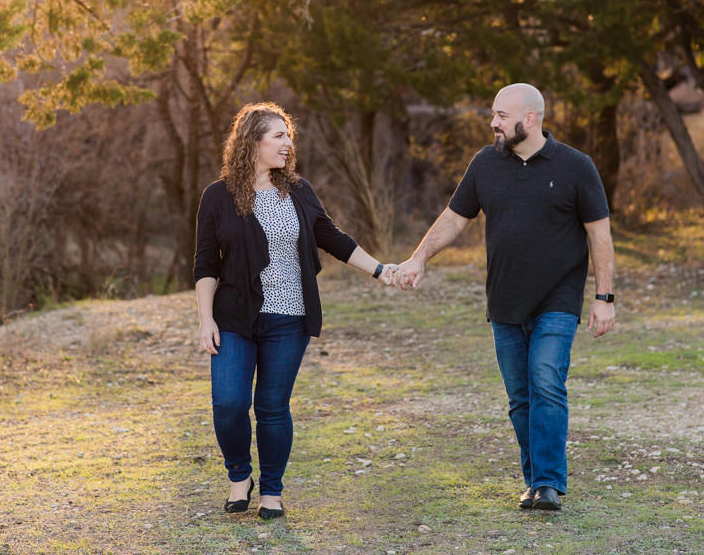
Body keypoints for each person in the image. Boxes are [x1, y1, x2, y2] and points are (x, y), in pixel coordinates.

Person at [394, 83, 615, 512]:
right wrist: (419, 258)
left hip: (558, 299)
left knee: (546, 382)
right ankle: (533, 480)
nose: (493, 123)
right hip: (504, 301)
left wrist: (604, 295)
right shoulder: (485, 164)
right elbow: (454, 219)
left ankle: (549, 483)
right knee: (519, 396)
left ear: (529, 119)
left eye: (500, 115)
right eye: (492, 115)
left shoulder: (576, 166)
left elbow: (599, 234)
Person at [194, 102, 400, 519]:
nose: (289, 143)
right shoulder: (217, 196)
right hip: (233, 317)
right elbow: (205, 263)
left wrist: (381, 270)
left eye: (289, 135)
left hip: (289, 317)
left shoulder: (299, 191)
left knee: (272, 406)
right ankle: (240, 476)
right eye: (279, 136)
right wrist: (205, 318)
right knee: (229, 402)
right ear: (252, 142)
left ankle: (271, 491)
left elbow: (334, 239)